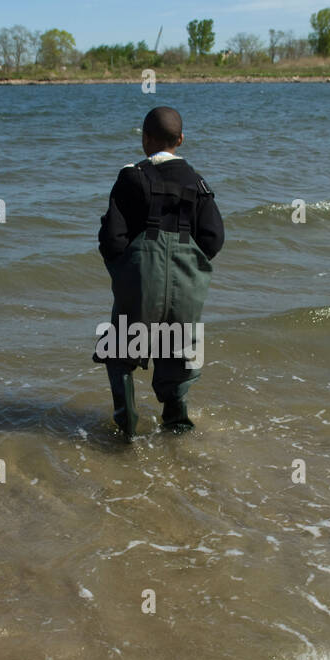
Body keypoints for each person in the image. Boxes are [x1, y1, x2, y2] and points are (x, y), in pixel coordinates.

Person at [95, 106, 224, 435]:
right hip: (185, 283)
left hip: (140, 282)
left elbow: (112, 237)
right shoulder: (198, 182)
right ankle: (176, 425)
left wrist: (124, 270)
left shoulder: (131, 177)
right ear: (181, 139)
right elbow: (213, 237)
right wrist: (190, 265)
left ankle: (126, 427)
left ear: (145, 139)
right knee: (178, 351)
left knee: (121, 350)